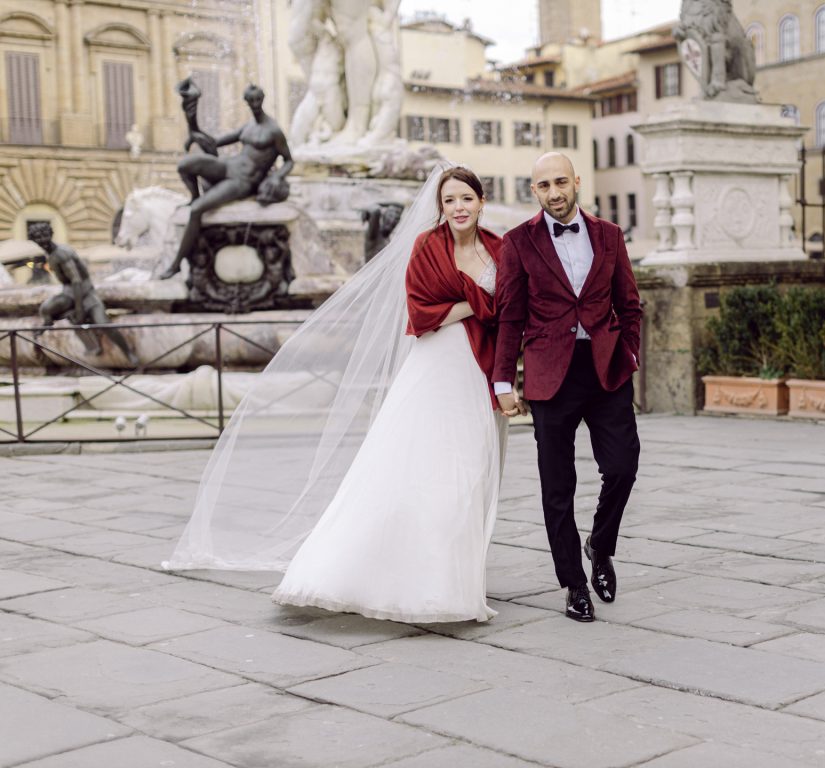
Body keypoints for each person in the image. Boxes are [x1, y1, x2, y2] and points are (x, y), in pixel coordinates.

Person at [166, 165, 512, 624]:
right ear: (440, 206)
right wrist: (479, 305)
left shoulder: (499, 248)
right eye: (449, 200)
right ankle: (387, 574)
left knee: (471, 471)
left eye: (466, 198)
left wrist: (499, 356)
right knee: (421, 467)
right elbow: (423, 312)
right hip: (437, 366)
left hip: (480, 369)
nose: (459, 208)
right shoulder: (427, 246)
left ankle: (453, 571)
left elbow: (513, 310)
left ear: (481, 201)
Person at [493, 152, 642, 623]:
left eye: (561, 182)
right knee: (557, 484)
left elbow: (630, 304)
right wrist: (503, 380)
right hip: (548, 373)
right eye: (543, 186)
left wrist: (631, 354)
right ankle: (574, 583)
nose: (554, 193)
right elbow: (510, 316)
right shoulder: (517, 243)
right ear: (532, 191)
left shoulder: (609, 235)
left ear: (577, 182)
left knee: (622, 466)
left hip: (605, 368)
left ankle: (600, 543)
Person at [159, 84, 293, 280]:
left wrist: (276, 176)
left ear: (263, 100)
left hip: (244, 180)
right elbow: (213, 143)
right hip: (229, 166)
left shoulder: (273, 130)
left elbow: (289, 160)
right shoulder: (248, 126)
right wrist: (192, 121)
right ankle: (194, 195)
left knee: (197, 210)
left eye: (258, 100)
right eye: (251, 100)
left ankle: (177, 263)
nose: (255, 104)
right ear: (246, 102)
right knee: (185, 165)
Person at [27, 221, 139, 367]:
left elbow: (77, 281)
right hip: (70, 294)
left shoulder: (61, 254)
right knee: (46, 309)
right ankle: (80, 337)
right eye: (38, 238)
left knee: (103, 324)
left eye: (44, 235)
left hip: (85, 293)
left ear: (50, 234)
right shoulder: (50, 254)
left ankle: (128, 352)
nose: (41, 240)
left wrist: (79, 308)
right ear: (34, 240)